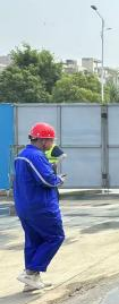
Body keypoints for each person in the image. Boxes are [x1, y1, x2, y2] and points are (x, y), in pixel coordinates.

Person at [14, 122, 66, 291]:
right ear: (43, 140)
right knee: (55, 237)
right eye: (51, 140)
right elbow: (47, 180)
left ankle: (32, 280)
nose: (52, 143)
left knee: (34, 241)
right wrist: (59, 179)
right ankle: (30, 273)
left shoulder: (22, 155)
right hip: (41, 206)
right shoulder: (36, 156)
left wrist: (50, 168)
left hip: (25, 205)